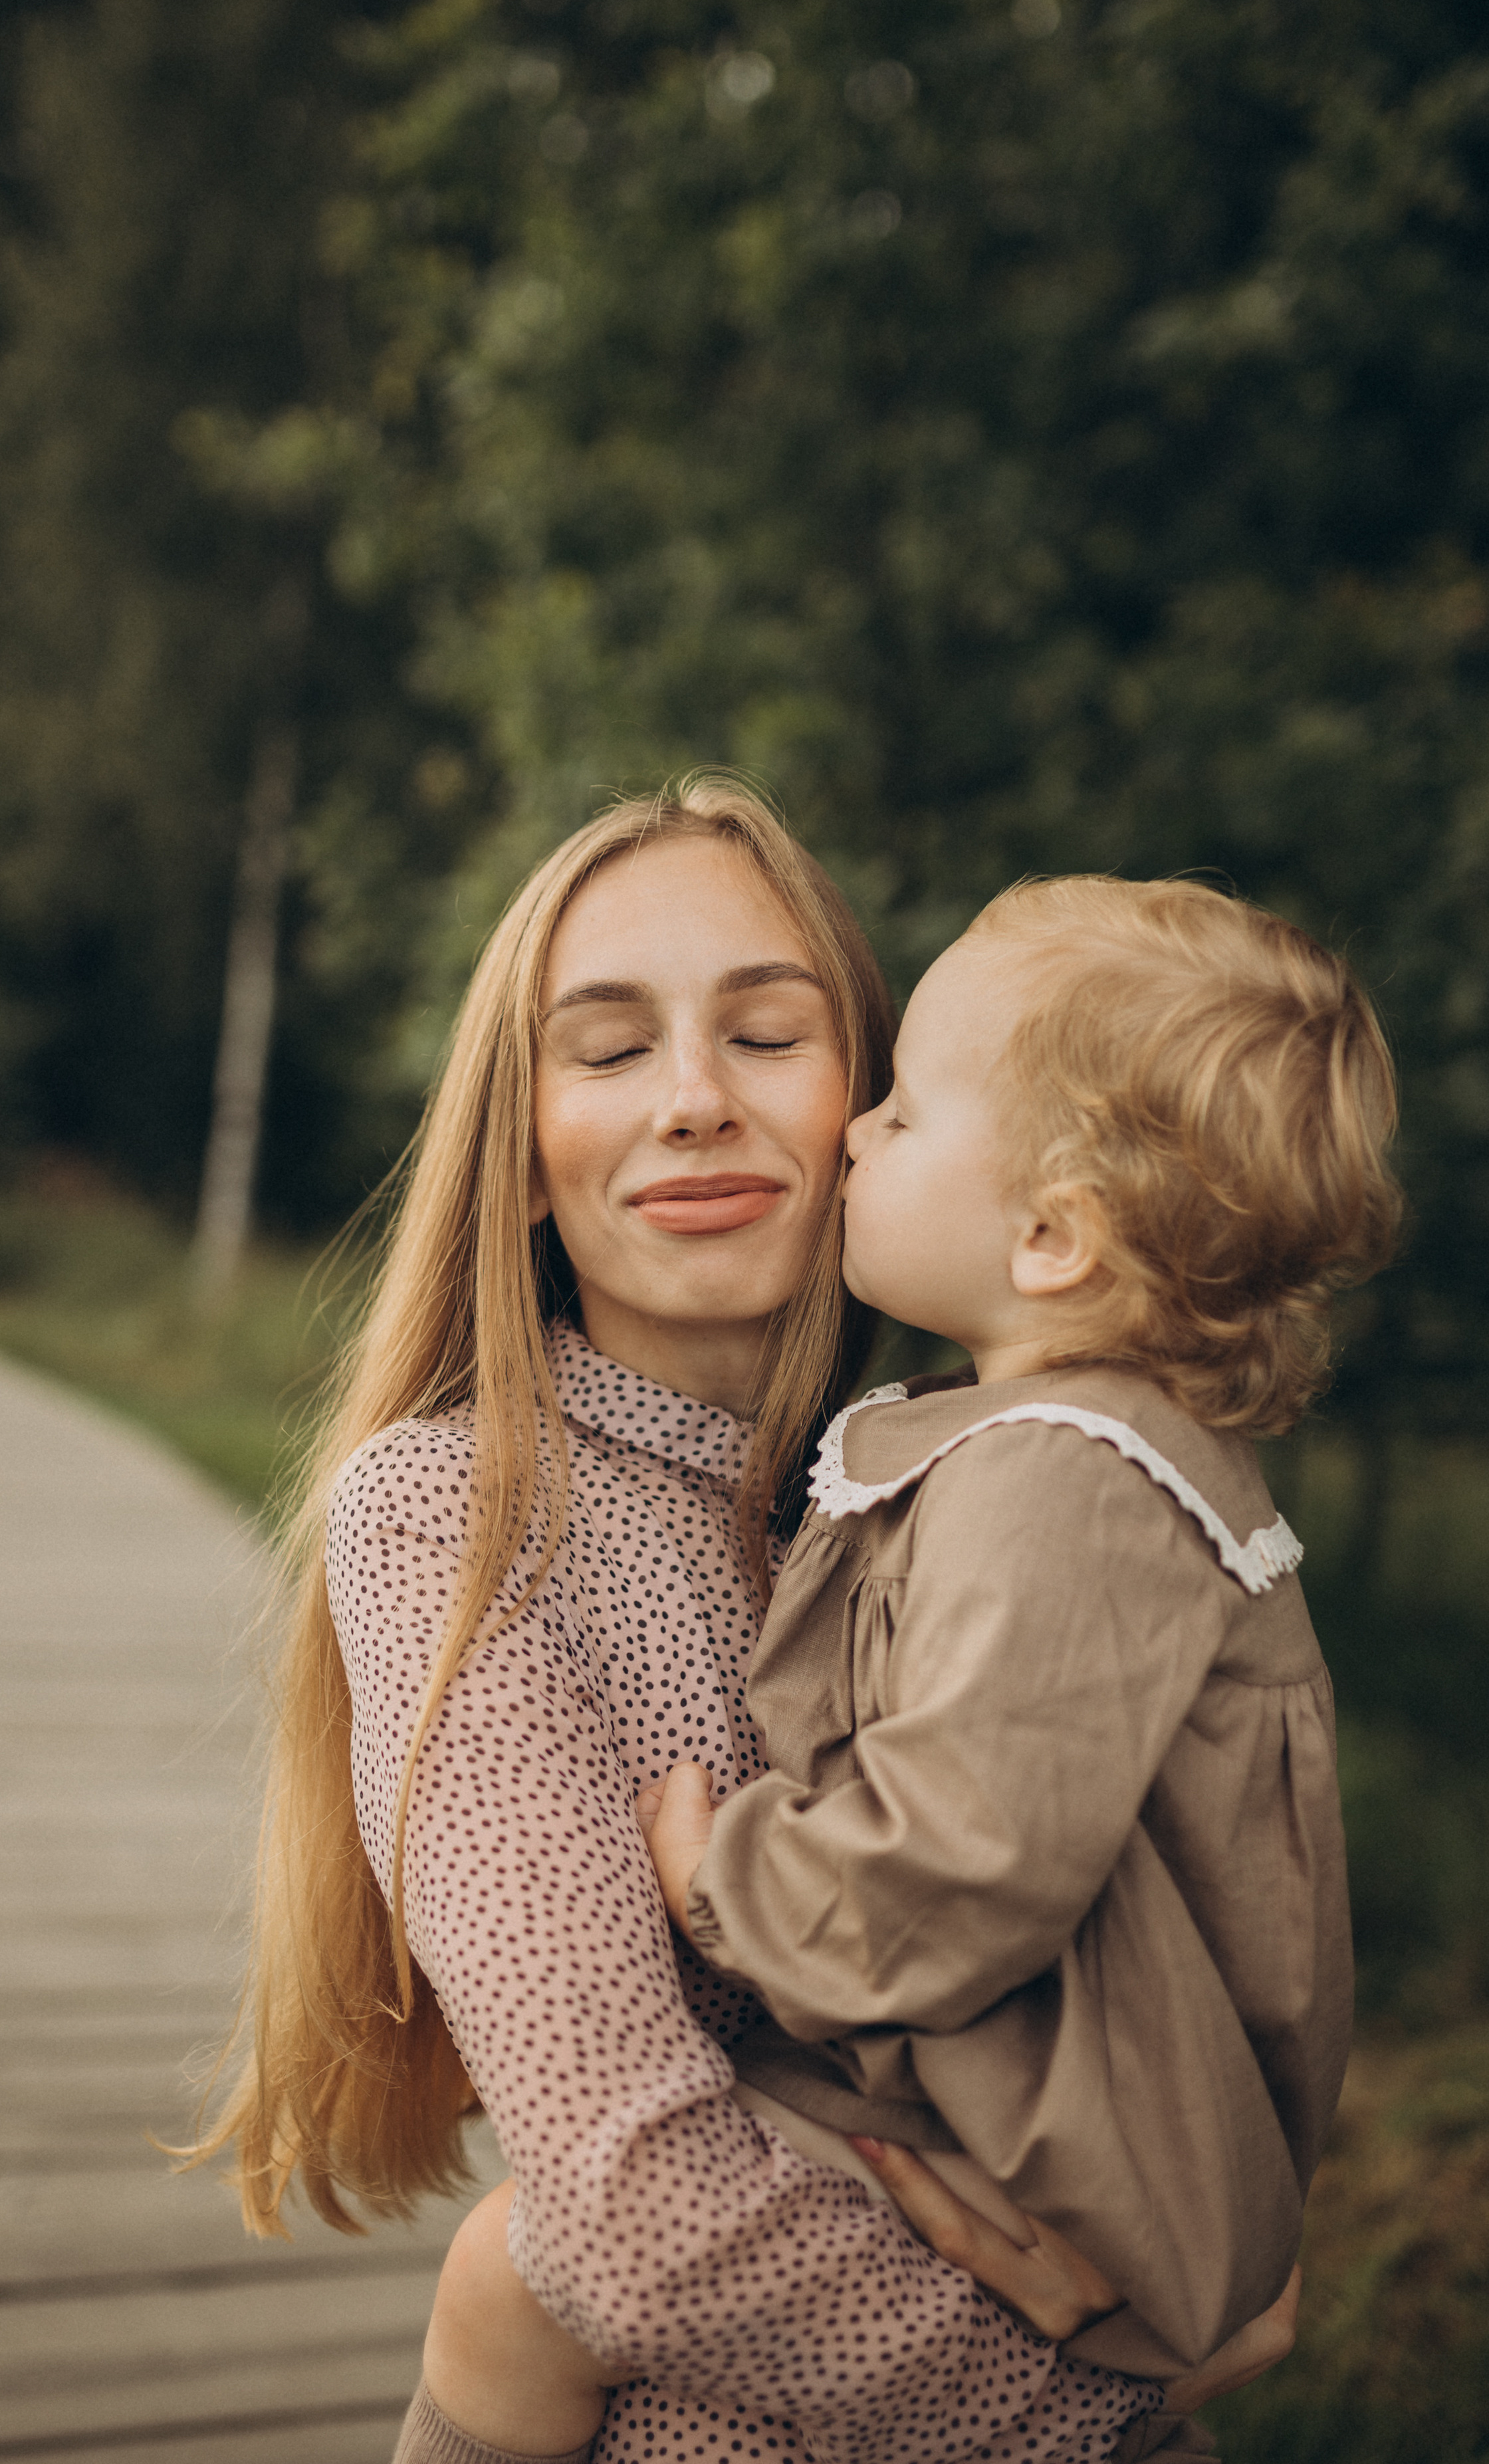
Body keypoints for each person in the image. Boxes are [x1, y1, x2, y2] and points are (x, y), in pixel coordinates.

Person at [195, 791, 1250, 2464]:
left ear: (880, 1111)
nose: (694, 1102)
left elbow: (1201, 1994)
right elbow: (631, 2215)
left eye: (765, 1035)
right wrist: (1119, 2390)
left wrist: (1226, 2241)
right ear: (520, 1152)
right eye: (607, 1052)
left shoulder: (1010, 1491)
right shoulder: (458, 1517)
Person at [430, 871, 1391, 2457]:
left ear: (1050, 1236)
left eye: (897, 1106)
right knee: (507, 2286)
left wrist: (718, 1886)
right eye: (606, 1052)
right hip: (1049, 2121)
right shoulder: (1065, 1462)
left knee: (515, 2286)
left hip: (1046, 2139)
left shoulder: (1059, 1482)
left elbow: (965, 1848)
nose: (860, 1136)